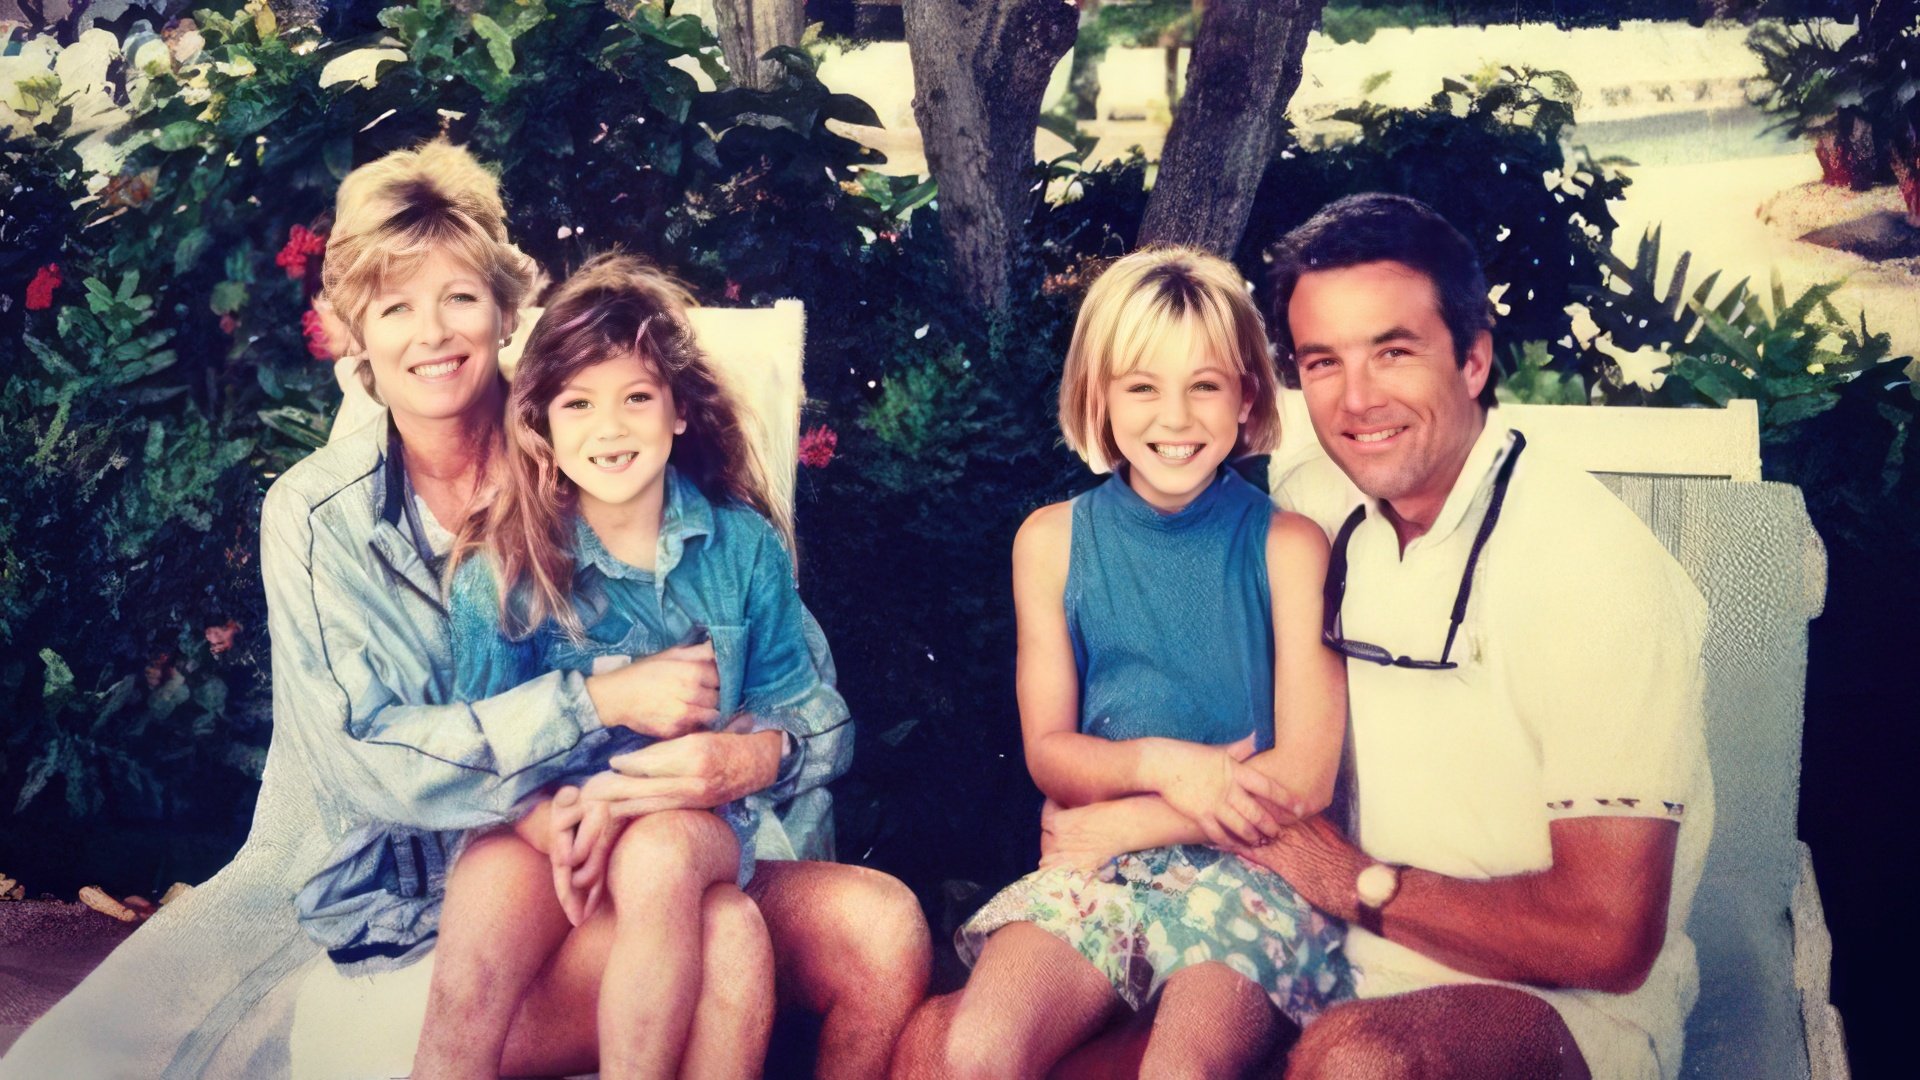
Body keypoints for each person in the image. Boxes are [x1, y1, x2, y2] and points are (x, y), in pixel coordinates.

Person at [0, 140, 930, 1080]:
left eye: (459, 297)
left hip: (650, 839)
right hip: (440, 901)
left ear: (502, 307)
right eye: (395, 307)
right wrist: (594, 712)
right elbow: (367, 757)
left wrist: (746, 753)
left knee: (884, 930)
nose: (432, 334)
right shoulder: (319, 516)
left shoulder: (590, 438)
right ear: (351, 331)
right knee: (724, 938)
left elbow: (801, 696)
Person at [1239, 192, 1712, 1079]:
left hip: (1558, 1007)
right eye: (1323, 363)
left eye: (1392, 351)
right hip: (1318, 954)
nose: (1358, 399)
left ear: (1473, 359)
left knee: (1359, 1065)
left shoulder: (1589, 564)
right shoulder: (1312, 506)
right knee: (970, 1044)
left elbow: (1609, 939)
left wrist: (1353, 880)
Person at [894, 247, 1352, 1080]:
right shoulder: (1052, 541)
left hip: (1257, 865)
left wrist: (1138, 817)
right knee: (975, 1050)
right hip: (1100, 869)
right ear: (1098, 397)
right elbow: (1050, 753)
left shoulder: (1287, 546)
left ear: (1247, 395)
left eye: (1204, 385)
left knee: (1180, 1070)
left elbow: (1307, 774)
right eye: (1142, 386)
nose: (1174, 418)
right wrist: (1163, 765)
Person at [411, 253, 846, 1077]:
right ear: (538, 424)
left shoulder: (744, 549)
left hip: (684, 821)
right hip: (549, 820)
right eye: (577, 404)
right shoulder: (503, 570)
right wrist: (553, 825)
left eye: (635, 398)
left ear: (679, 410)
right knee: (474, 956)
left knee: (658, 858)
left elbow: (807, 712)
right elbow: (480, 749)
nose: (609, 429)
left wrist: (750, 751)